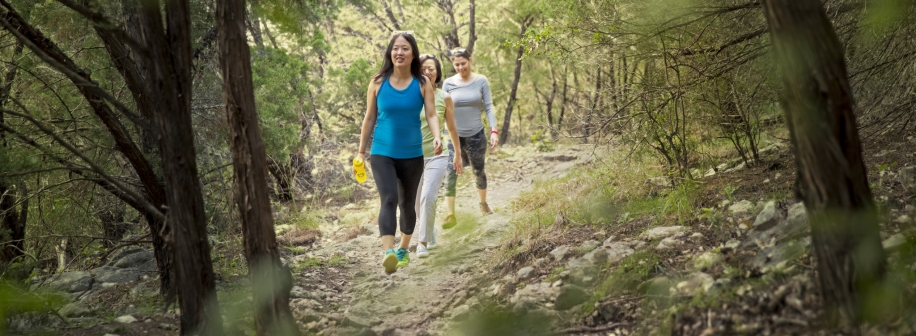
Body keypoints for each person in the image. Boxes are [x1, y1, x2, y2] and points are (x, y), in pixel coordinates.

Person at [356, 32, 442, 274]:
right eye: (396, 48)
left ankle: (404, 248)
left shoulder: (423, 83)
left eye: (405, 48)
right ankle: (388, 252)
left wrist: (437, 135)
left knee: (407, 203)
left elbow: (433, 114)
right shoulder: (377, 81)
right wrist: (361, 151)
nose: (400, 53)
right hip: (382, 152)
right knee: (389, 199)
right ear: (390, 53)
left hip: (413, 153)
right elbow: (369, 117)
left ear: (413, 53)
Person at [442, 47, 499, 228]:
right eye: (457, 64)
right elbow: (442, 109)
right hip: (453, 136)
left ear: (470, 60)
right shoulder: (448, 83)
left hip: (476, 134)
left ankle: (483, 204)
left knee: (478, 170)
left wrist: (494, 130)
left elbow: (488, 106)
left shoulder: (481, 81)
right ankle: (450, 215)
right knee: (450, 173)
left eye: (463, 63)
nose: (460, 67)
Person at [414, 54, 463, 258]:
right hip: (412, 156)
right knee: (416, 202)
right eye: (423, 68)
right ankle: (430, 230)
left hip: (437, 155)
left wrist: (457, 154)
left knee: (428, 197)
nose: (427, 72)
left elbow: (451, 127)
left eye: (431, 68)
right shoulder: (410, 96)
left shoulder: (445, 97)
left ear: (438, 72)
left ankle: (422, 243)